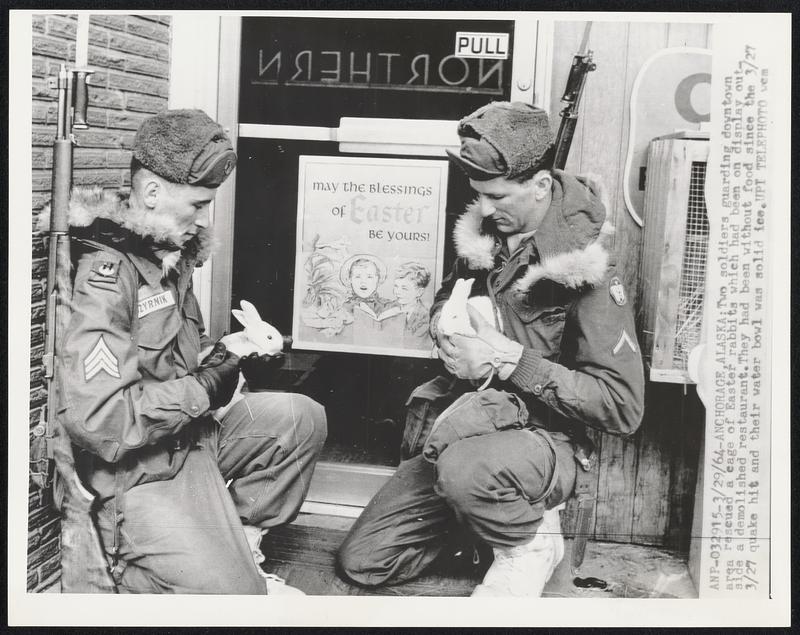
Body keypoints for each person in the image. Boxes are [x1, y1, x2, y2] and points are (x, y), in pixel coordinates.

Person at [337, 101, 645, 596]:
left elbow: (621, 407)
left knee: (466, 472)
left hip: (547, 443)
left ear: (541, 186)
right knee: (366, 560)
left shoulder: (587, 269)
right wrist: (445, 323)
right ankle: (485, 520)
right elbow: (449, 292)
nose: (484, 209)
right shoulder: (491, 234)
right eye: (478, 195)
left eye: (497, 196)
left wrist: (508, 359)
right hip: (472, 425)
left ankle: (531, 544)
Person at [55, 109, 327, 594]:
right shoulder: (107, 276)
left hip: (189, 442)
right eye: (198, 205)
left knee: (298, 417)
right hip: (134, 477)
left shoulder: (167, 256)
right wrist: (202, 388)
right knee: (237, 602)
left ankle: (241, 545)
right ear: (153, 193)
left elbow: (176, 359)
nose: (204, 219)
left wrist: (228, 351)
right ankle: (138, 575)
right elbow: (100, 421)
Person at [391, 261, 432, 348]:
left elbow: (412, 344)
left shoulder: (425, 316)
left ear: (419, 292)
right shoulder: (390, 307)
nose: (397, 292)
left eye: (404, 288)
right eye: (396, 286)